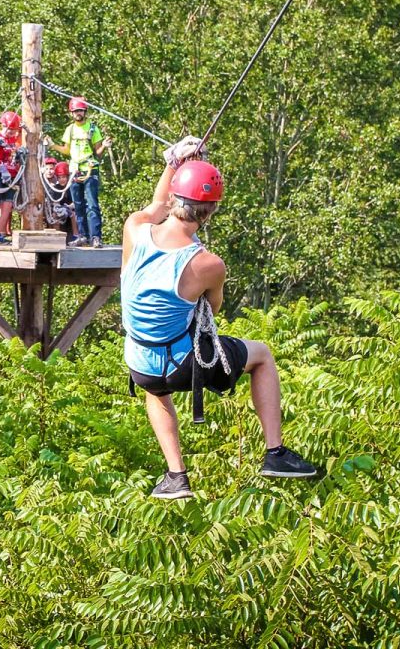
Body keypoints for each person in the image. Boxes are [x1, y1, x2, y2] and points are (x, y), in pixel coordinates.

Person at [121, 139, 317, 499]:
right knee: (261, 355)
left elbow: (155, 206)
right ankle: (275, 453)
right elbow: (214, 307)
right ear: (208, 213)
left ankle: (176, 475)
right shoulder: (207, 264)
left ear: (176, 199)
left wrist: (174, 162)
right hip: (183, 364)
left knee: (155, 390)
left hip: (140, 364)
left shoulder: (134, 229)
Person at [46, 96, 111, 248]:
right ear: (72, 113)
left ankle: (95, 237)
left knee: (92, 204)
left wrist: (105, 147)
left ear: (85, 111)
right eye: (75, 111)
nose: (78, 114)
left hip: (90, 169)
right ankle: (82, 235)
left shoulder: (93, 128)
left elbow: (98, 152)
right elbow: (67, 150)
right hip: (75, 170)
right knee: (78, 204)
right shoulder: (70, 130)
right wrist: (53, 145)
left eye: (80, 111)